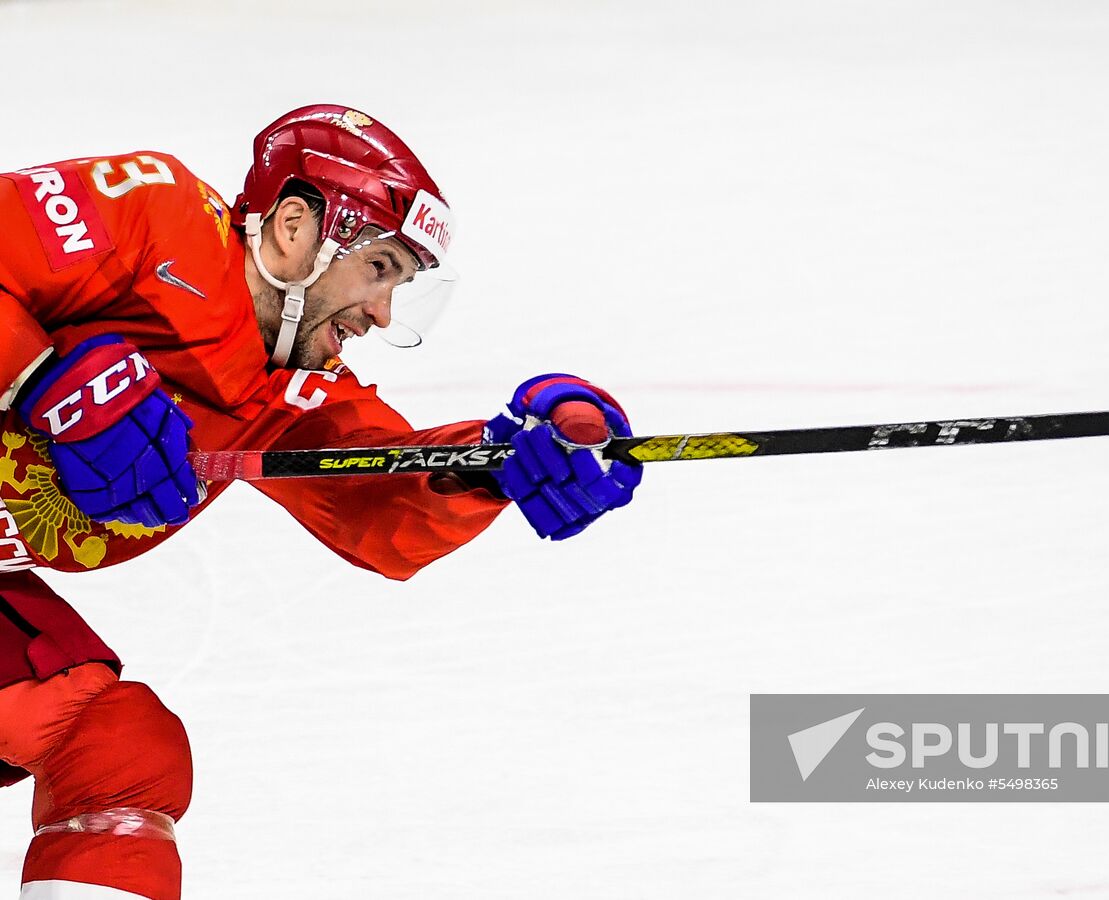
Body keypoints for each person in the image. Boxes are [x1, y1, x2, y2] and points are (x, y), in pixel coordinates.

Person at [0, 105, 642, 900]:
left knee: (118, 752)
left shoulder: (291, 392)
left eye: (400, 287)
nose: (381, 313)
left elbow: (384, 509)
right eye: (379, 270)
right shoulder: (151, 210)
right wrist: (38, 376)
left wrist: (500, 462)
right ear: (295, 227)